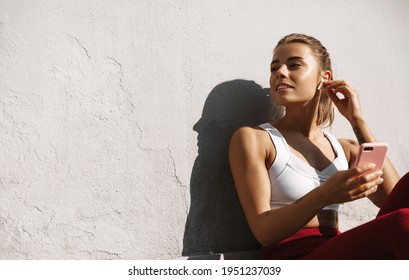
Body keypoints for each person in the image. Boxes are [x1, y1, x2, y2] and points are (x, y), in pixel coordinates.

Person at [229, 33, 409, 259]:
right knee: (402, 222)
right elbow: (264, 233)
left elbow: (393, 200)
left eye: (294, 65)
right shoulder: (256, 138)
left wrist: (357, 120)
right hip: (295, 260)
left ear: (323, 78)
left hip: (336, 250)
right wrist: (326, 193)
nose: (280, 73)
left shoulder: (344, 149)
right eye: (274, 68)